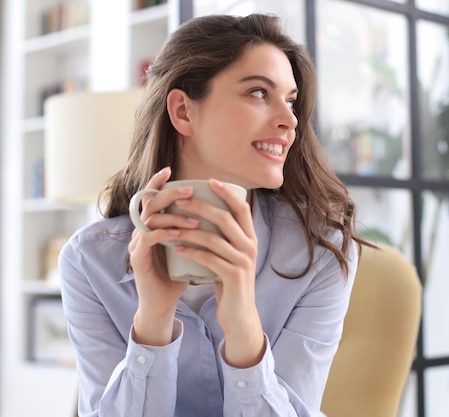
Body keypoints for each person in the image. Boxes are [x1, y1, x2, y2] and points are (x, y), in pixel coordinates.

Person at [59, 13, 368, 417]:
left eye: (291, 101)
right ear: (184, 112)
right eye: (259, 93)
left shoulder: (321, 252)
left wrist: (243, 326)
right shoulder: (88, 262)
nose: (290, 121)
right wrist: (152, 322)